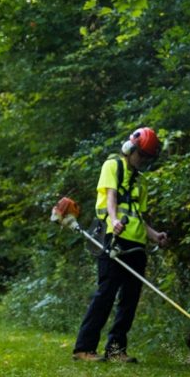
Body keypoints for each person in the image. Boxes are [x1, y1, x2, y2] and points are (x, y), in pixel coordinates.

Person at [72, 127, 169, 364]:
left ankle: (116, 350)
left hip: (136, 245)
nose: (144, 161)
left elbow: (139, 216)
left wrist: (155, 235)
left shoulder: (141, 182)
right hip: (113, 238)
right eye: (142, 156)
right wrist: (114, 220)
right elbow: (111, 196)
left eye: (148, 158)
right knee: (106, 293)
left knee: (130, 299)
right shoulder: (113, 165)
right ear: (130, 149)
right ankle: (84, 348)